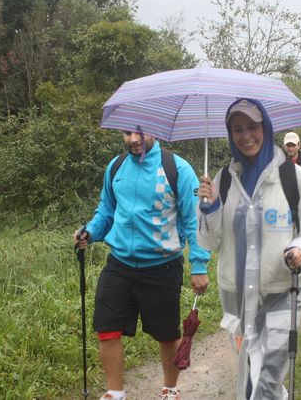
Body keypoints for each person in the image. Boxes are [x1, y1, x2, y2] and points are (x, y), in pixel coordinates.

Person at [197, 98, 301, 399]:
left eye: (252, 127)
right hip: (237, 296)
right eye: (237, 129)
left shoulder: (294, 177)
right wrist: (210, 208)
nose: (245, 136)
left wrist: (299, 249)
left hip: (283, 290)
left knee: (268, 376)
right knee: (249, 367)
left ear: (266, 128)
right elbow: (209, 241)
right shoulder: (224, 181)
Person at [73, 130, 211, 400]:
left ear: (155, 131)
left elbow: (195, 220)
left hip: (162, 266)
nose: (133, 139)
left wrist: (199, 264)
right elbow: (106, 212)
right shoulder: (116, 167)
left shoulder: (177, 169)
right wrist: (90, 232)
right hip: (120, 263)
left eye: (140, 132)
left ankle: (170, 389)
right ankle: (115, 392)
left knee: (167, 335)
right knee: (107, 327)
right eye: (127, 133)